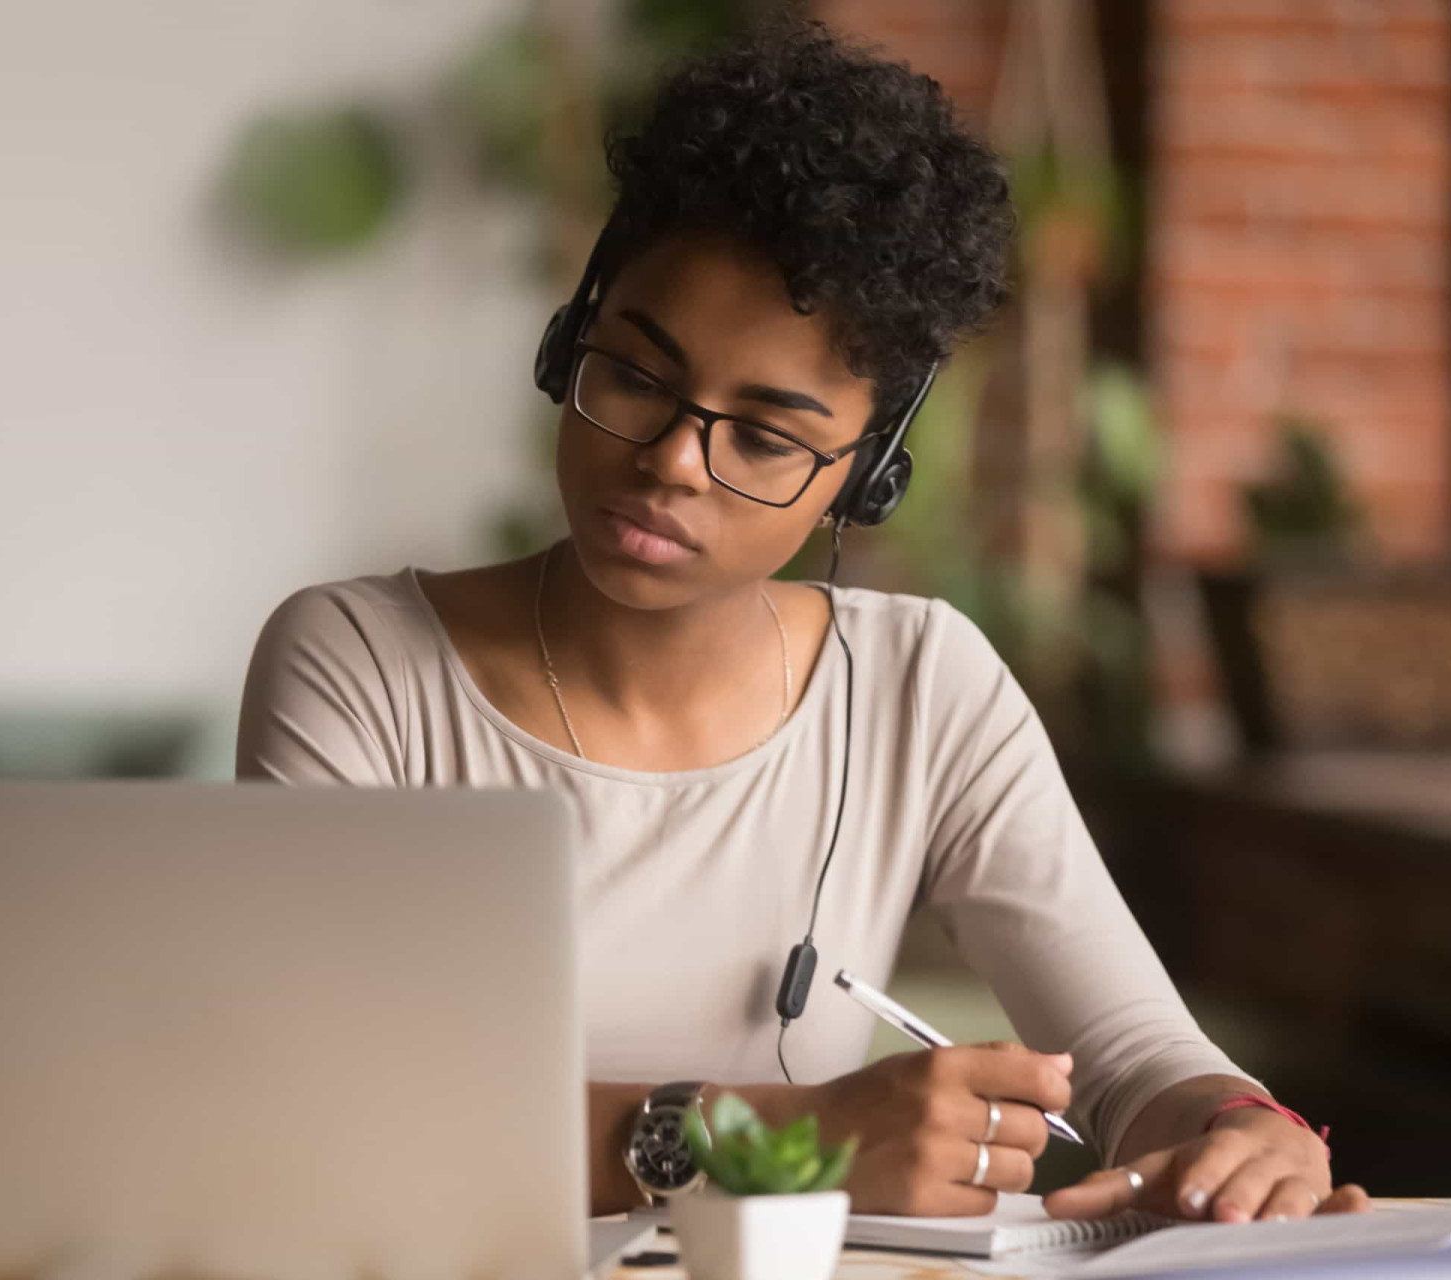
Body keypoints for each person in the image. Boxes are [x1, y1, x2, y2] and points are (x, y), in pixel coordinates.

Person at [237, 19, 1368, 1224]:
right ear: (570, 340)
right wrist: (784, 1134)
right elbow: (321, 1106)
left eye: (766, 437)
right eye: (632, 375)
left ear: (863, 477)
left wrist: (1244, 1132)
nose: (672, 460)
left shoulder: (923, 686)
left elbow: (1137, 1053)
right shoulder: (360, 666)